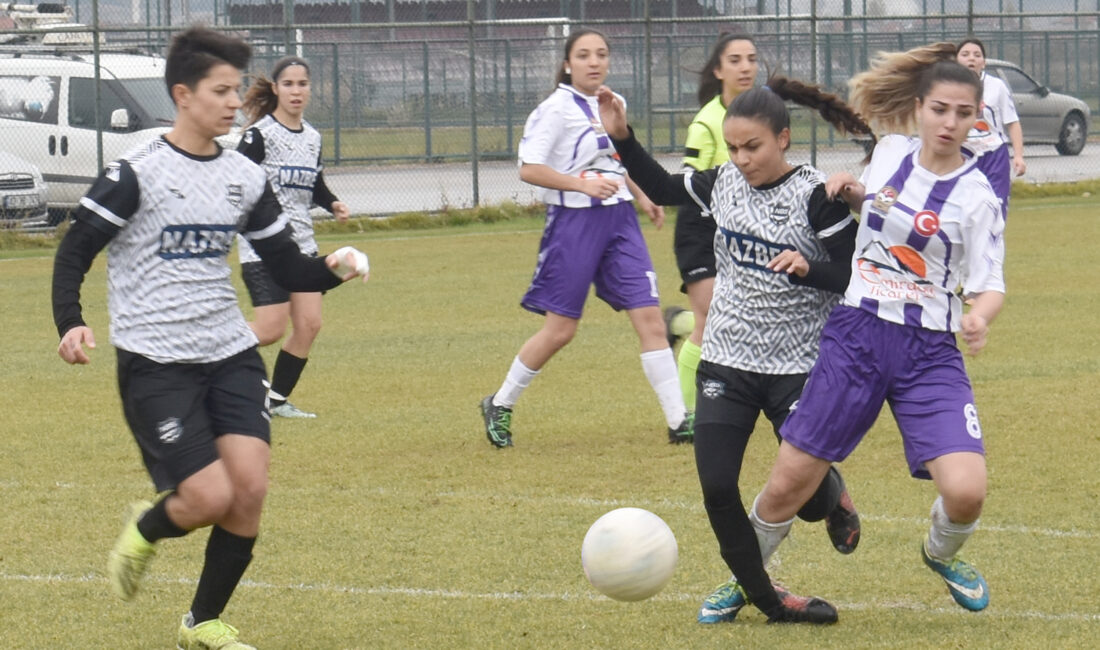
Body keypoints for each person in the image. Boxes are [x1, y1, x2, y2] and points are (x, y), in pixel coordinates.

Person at [51, 27, 370, 649]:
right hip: (156, 363)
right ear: (182, 95)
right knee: (207, 495)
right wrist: (71, 322)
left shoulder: (245, 179)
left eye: (234, 90)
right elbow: (74, 251)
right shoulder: (136, 173)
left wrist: (332, 270)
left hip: (229, 353)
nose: (232, 102)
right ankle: (144, 531)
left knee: (249, 486)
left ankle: (202, 623)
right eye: (219, 91)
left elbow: (289, 270)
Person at [598, 74, 870, 624]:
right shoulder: (723, 182)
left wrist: (807, 266)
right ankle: (770, 599)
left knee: (807, 492)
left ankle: (831, 493)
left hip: (798, 368)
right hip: (726, 360)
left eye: (754, 147)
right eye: (735, 147)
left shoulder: (817, 197)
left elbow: (853, 276)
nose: (742, 159)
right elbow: (663, 184)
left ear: (784, 139)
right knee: (718, 486)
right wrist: (623, 138)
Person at [748, 59, 1006, 613]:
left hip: (928, 352)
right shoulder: (890, 153)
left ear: (976, 119)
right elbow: (884, 211)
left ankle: (941, 554)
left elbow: (990, 286)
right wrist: (853, 191)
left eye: (963, 114)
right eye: (939, 109)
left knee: (966, 490)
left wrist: (979, 316)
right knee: (787, 483)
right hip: (858, 336)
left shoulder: (978, 197)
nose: (948, 122)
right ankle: (749, 578)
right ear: (918, 109)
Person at [479, 28, 691, 448]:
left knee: (648, 318)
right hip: (574, 226)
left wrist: (642, 194)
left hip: (620, 224)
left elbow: (617, 158)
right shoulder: (554, 110)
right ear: (567, 64)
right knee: (561, 331)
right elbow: (529, 168)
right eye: (583, 55)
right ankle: (500, 403)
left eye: (601, 54)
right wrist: (580, 185)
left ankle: (679, 420)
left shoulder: (614, 103)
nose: (594, 62)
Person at [236, 55, 351, 419]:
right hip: (263, 245)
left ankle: (276, 401)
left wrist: (332, 202)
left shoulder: (313, 137)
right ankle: (214, 345)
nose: (296, 91)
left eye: (302, 84)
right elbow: (234, 181)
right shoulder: (258, 136)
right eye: (288, 84)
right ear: (275, 89)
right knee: (270, 328)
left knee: (309, 325)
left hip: (301, 244)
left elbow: (314, 184)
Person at [663, 33, 759, 429]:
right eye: (735, 60)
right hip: (700, 228)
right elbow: (689, 186)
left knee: (734, 316)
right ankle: (686, 416)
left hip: (739, 231)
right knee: (713, 323)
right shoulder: (706, 122)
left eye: (751, 58)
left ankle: (679, 323)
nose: (745, 67)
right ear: (719, 70)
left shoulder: (761, 113)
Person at [956, 37, 1025, 217]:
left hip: (994, 154)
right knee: (964, 210)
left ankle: (994, 243)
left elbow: (1012, 122)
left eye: (977, 55)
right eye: (965, 54)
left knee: (996, 207)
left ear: (984, 63)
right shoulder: (949, 87)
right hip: (962, 155)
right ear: (956, 61)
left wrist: (1018, 156)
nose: (971, 58)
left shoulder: (997, 86)